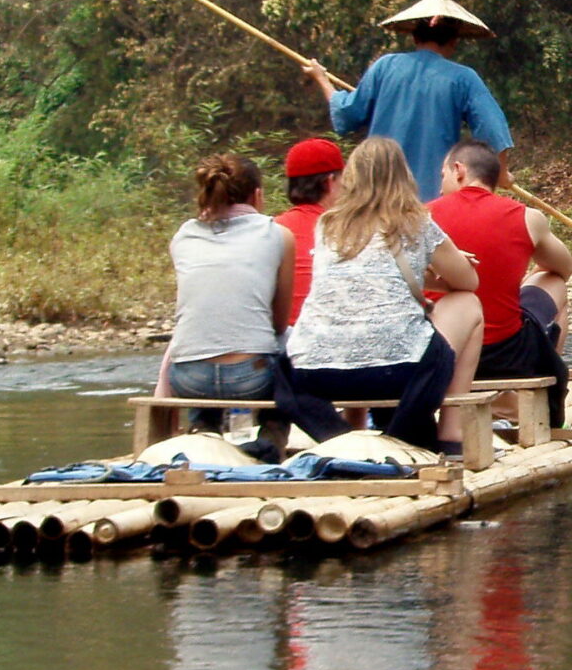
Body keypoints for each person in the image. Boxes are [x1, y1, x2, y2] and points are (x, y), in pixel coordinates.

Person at [283, 136, 484, 451]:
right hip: (396, 370)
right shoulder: (415, 222)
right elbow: (468, 282)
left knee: (286, 369)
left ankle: (339, 437)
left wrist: (417, 274)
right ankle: (435, 433)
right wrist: (439, 266)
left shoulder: (327, 224)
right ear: (404, 176)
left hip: (315, 371)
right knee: (449, 338)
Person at [305, 0, 514, 198]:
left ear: (414, 37)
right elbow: (493, 130)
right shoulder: (463, 78)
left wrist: (322, 78)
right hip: (429, 200)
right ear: (454, 40)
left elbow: (346, 113)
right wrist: (501, 174)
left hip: (376, 198)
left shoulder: (385, 67)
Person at [427, 139, 572, 398]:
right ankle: (545, 390)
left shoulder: (421, 217)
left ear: (459, 170)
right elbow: (565, 268)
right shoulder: (527, 217)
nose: (440, 189)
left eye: (443, 176)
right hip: (504, 355)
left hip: (441, 351)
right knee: (553, 280)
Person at [162, 152, 294, 442]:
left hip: (189, 379)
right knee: (291, 343)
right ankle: (271, 437)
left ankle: (203, 428)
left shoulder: (184, 236)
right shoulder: (278, 235)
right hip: (252, 378)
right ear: (257, 196)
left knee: (200, 342)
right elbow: (279, 323)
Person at [274, 135, 343, 325]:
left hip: (281, 335)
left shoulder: (272, 228)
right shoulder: (347, 231)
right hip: (329, 332)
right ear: (330, 182)